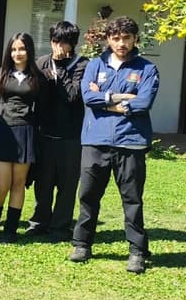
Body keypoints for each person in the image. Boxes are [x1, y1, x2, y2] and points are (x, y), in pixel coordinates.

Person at [69, 16, 160, 274]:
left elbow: (144, 102)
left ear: (134, 39)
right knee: (88, 196)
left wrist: (106, 99)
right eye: (116, 38)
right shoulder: (95, 65)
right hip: (95, 141)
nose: (121, 43)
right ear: (108, 39)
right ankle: (81, 244)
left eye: (126, 38)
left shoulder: (147, 69)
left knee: (132, 199)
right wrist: (119, 100)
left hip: (130, 143)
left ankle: (137, 251)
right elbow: (88, 96)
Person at [26, 21, 88, 242]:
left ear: (72, 44)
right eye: (55, 41)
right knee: (43, 182)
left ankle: (60, 226)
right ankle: (39, 222)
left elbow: (73, 96)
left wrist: (59, 72)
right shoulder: (41, 63)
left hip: (70, 136)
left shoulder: (82, 65)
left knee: (66, 184)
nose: (58, 47)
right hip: (44, 133)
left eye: (63, 43)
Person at [0, 32, 43, 242]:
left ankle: (11, 228)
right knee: (2, 184)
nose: (18, 53)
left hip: (26, 131)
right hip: (3, 131)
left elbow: (41, 105)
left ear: (29, 51)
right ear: (9, 51)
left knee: (19, 183)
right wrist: (6, 115)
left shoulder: (37, 76)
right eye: (14, 49)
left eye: (22, 49)